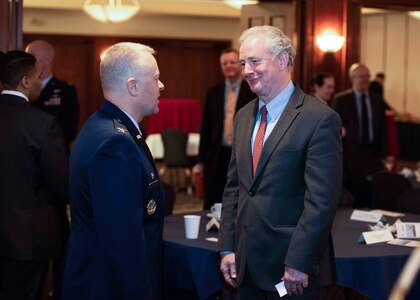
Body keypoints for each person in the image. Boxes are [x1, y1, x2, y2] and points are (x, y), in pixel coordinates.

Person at [218, 25, 343, 299]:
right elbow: (234, 189)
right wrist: (227, 247)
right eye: (243, 63)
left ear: (283, 60)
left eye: (255, 61)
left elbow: (321, 201)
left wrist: (299, 261)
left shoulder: (319, 119)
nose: (247, 71)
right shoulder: (242, 117)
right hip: (246, 266)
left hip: (294, 273)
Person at [59, 42, 165, 300]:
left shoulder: (101, 125)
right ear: (133, 86)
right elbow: (122, 242)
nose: (161, 86)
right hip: (105, 286)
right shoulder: (115, 143)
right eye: (156, 78)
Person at [0, 50, 69, 300]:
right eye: (39, 78)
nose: (42, 83)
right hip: (27, 237)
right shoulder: (42, 124)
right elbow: (62, 183)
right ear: (26, 82)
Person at [194, 48, 256, 209]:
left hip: (242, 153)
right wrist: (201, 160)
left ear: (241, 65)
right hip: (216, 154)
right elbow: (206, 128)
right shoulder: (213, 92)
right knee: (213, 197)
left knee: (238, 196)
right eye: (225, 63)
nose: (229, 66)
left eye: (233, 62)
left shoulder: (252, 91)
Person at [332, 63, 387, 208]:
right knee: (353, 195)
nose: (365, 79)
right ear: (352, 78)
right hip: (350, 155)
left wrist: (385, 154)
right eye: (361, 76)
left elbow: (383, 129)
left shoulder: (377, 101)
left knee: (372, 194)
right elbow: (333, 127)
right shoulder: (341, 100)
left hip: (372, 154)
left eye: (367, 76)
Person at [25, 40, 80, 148]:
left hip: (53, 153)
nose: (28, 61)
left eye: (31, 56)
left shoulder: (66, 91)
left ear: (48, 59)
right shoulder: (24, 87)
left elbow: (68, 130)